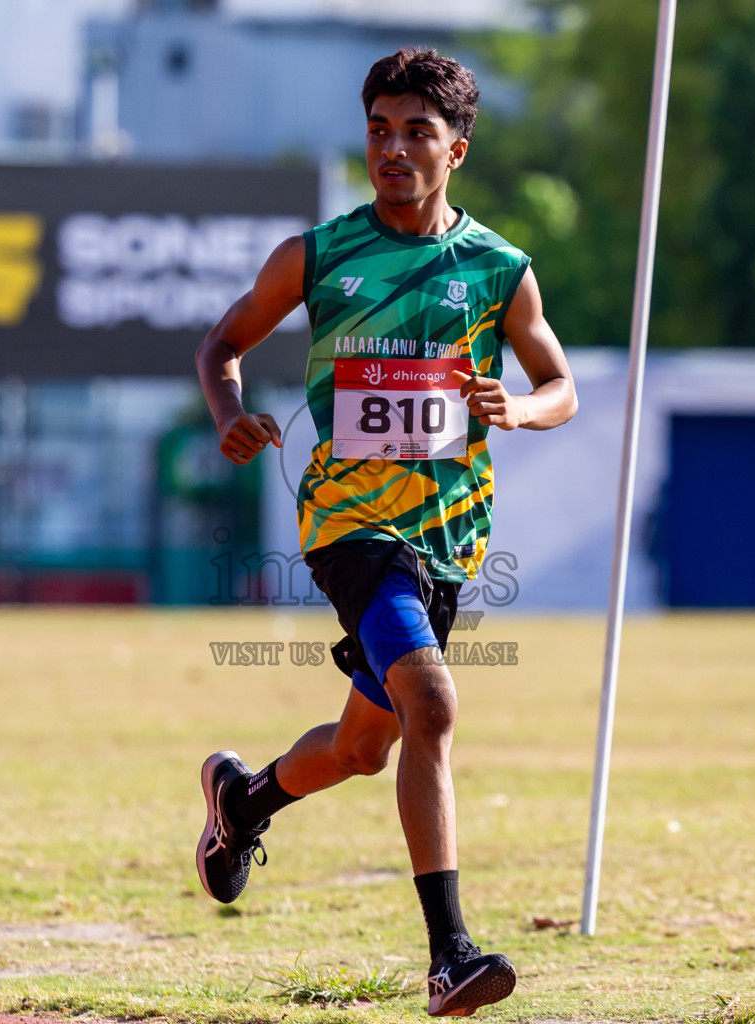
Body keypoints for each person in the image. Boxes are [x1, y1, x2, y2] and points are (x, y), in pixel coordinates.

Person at [193, 47, 578, 1018]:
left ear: (460, 146)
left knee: (369, 744)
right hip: (349, 524)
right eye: (379, 130)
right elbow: (222, 343)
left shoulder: (498, 269)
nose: (394, 149)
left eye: (416, 132)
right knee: (433, 707)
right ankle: (451, 954)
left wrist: (517, 410)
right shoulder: (318, 255)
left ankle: (244, 800)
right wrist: (228, 410)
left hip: (448, 535)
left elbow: (560, 385)